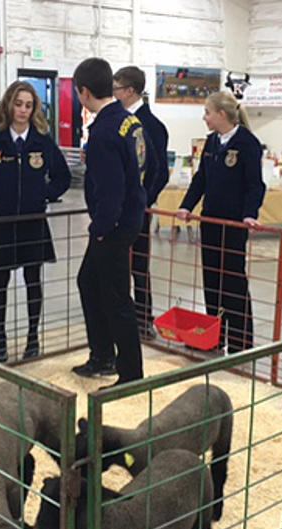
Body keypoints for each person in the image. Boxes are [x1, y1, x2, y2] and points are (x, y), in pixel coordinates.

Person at [0, 81, 71, 362]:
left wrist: (44, 195)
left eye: (28, 105)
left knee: (32, 279)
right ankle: (0, 338)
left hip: (33, 222)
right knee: (0, 278)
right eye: (18, 104)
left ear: (34, 109)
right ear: (9, 105)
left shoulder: (42, 141)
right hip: (2, 222)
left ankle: (32, 337)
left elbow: (63, 177)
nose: (23, 110)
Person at [70, 58, 146, 384]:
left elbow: (111, 189)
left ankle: (130, 372)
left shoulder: (103, 130)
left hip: (111, 227)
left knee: (117, 298)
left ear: (84, 92)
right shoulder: (128, 121)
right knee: (88, 281)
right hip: (126, 219)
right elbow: (147, 166)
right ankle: (102, 355)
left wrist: (102, 228)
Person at [175, 91, 265, 354]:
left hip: (234, 224)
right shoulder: (212, 142)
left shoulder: (248, 143)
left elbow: (255, 185)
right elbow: (201, 179)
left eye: (207, 112)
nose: (205, 117)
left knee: (233, 281)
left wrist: (250, 213)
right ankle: (214, 336)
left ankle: (240, 341)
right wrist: (186, 206)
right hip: (210, 220)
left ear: (221, 114)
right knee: (211, 278)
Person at [113, 66, 169, 339]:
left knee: (139, 266)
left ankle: (144, 316)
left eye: (116, 90)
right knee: (118, 263)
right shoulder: (116, 120)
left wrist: (143, 200)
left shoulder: (152, 126)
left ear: (130, 91)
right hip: (117, 208)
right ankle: (122, 313)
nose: (114, 95)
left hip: (137, 208)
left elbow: (159, 171)